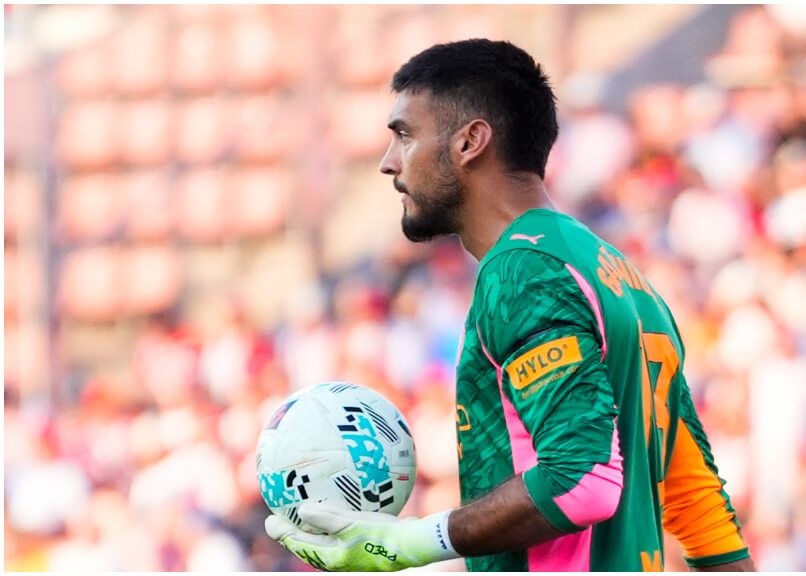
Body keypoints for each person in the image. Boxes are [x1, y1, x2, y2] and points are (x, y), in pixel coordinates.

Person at [265, 38, 755, 572]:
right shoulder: (619, 274)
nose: (389, 163)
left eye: (405, 135)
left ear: (470, 141)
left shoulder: (522, 272)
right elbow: (700, 506)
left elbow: (583, 481)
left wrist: (405, 543)